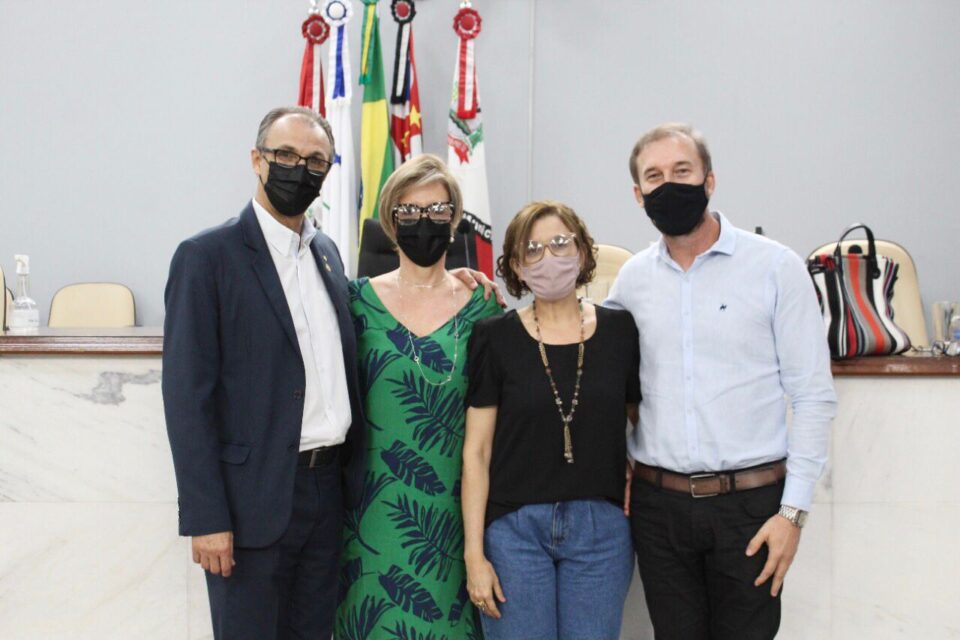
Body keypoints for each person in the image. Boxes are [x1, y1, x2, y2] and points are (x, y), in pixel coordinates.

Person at [163, 108, 497, 640]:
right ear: (257, 160)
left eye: (316, 161)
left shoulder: (326, 254)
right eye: (286, 155)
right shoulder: (207, 256)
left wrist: (452, 280)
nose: (300, 169)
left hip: (332, 497)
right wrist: (206, 517)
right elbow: (187, 398)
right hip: (254, 501)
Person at [607, 123, 837, 640]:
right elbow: (601, 371)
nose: (669, 185)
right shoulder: (632, 281)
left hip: (751, 507)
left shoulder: (775, 267)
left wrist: (793, 514)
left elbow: (813, 396)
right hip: (659, 509)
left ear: (709, 180)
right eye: (654, 176)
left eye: (682, 170)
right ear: (638, 194)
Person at [334, 154, 501, 640]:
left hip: (455, 523)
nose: (423, 221)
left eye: (436, 210)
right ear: (390, 222)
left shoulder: (483, 307)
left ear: (455, 220)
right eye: (408, 211)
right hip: (368, 521)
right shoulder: (353, 302)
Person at [462, 201, 640, 640]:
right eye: (532, 249)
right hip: (514, 532)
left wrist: (639, 472)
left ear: (582, 250)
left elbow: (641, 424)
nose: (548, 257)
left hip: (601, 532)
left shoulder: (620, 331)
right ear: (516, 267)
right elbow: (477, 452)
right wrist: (473, 555)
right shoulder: (494, 337)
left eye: (560, 243)